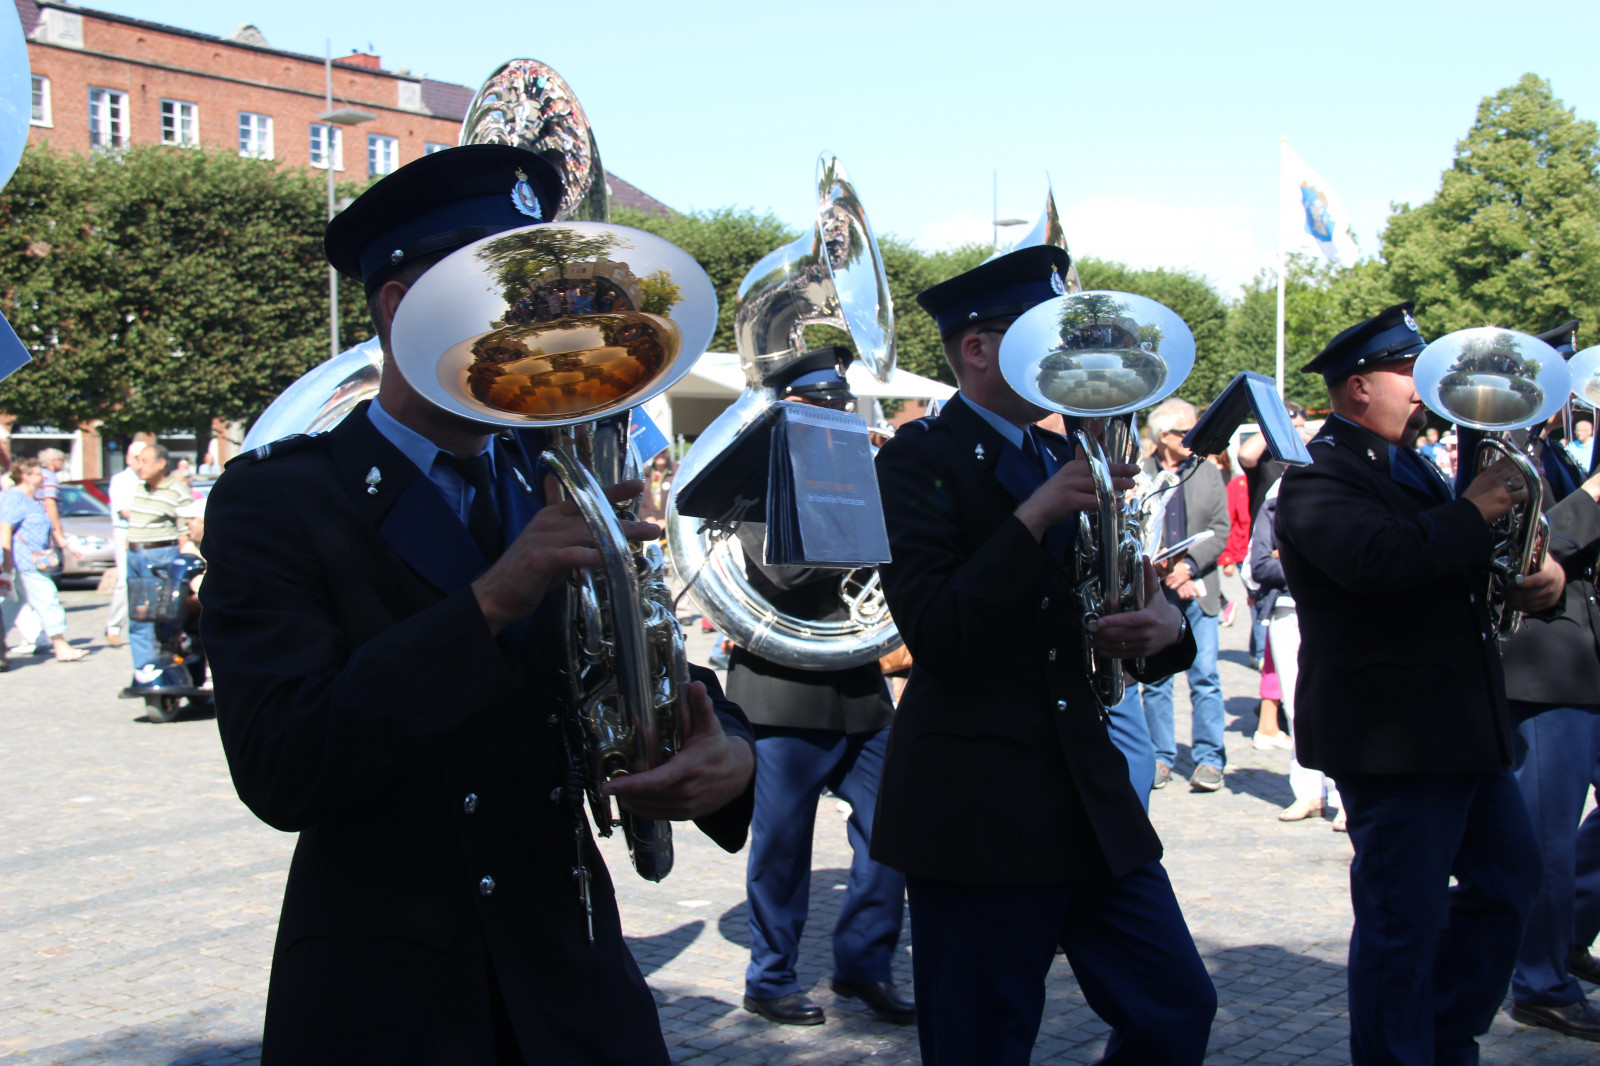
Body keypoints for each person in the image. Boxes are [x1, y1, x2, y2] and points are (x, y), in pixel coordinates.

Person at [199, 144, 756, 1065]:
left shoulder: (547, 478)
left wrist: (726, 747)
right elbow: (280, 763)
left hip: (571, 973)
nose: (546, 337)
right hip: (399, 993)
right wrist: (492, 600)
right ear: (400, 307)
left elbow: (632, 655)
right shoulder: (282, 497)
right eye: (514, 310)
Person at [872, 245, 1216, 1065]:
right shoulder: (919, 458)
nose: (1063, 360)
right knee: (980, 1044)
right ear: (977, 349)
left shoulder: (1057, 456)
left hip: (1083, 792)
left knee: (1177, 1006)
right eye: (1037, 336)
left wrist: (1167, 630)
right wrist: (1030, 519)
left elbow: (1117, 602)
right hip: (977, 805)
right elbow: (940, 632)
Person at [1275, 301, 1565, 1066]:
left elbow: (1457, 571)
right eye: (1408, 370)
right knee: (1402, 924)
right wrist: (1473, 511)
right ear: (1359, 387)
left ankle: (1445, 1039)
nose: (1424, 382)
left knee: (1508, 883)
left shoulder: (1415, 467)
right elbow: (1380, 562)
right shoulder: (1318, 474)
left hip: (1461, 728)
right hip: (1393, 737)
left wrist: (1534, 580)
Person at [730, 348, 912, 1028]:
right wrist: (867, 535)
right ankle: (769, 976)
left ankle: (864, 964)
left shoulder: (862, 479)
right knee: (782, 846)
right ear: (788, 407)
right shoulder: (754, 480)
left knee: (891, 829)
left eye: (839, 402)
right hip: (782, 693)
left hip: (859, 689)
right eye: (818, 404)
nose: (834, 413)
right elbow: (784, 576)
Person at [1480, 319, 1600, 1041]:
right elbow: (1528, 548)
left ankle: (1565, 934)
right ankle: (1538, 979)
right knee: (1546, 835)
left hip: (1583, 659)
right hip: (1546, 668)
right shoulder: (1505, 448)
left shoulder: (1552, 448)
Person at [1130, 397, 1231, 792]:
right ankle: (1160, 756)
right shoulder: (1138, 473)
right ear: (1163, 436)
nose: (1193, 437)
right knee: (1156, 682)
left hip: (1200, 589)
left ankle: (1209, 759)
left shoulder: (1206, 471)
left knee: (1205, 677)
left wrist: (1188, 568)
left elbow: (1221, 528)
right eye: (1184, 431)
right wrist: (1168, 573)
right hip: (1158, 589)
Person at [1250, 478, 1339, 825]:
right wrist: (1308, 562)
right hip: (1286, 611)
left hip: (1330, 609)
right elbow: (1260, 564)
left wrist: (1293, 558)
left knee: (1334, 701)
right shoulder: (1276, 496)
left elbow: (1343, 556)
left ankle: (1343, 795)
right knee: (1295, 703)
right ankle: (1307, 792)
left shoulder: (1337, 492)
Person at [0, 457, 90, 665]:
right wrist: (6, 562)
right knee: (48, 598)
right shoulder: (15, 497)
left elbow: (47, 526)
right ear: (25, 476)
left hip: (32, 559)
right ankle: (61, 646)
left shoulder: (32, 499)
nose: (42, 477)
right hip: (24, 561)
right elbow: (5, 527)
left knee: (12, 604)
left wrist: (66, 545)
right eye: (38, 473)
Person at [126, 443, 191, 691]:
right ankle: (143, 670)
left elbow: (185, 530)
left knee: (159, 616)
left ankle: (160, 667)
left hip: (159, 554)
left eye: (144, 461)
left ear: (162, 463)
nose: (139, 466)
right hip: (135, 553)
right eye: (137, 461)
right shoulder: (141, 488)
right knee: (138, 617)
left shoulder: (177, 490)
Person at [105, 440, 150, 648]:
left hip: (147, 533)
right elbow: (124, 511)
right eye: (137, 458)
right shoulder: (121, 480)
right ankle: (114, 626)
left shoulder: (147, 478)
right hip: (126, 533)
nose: (141, 463)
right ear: (129, 459)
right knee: (125, 581)